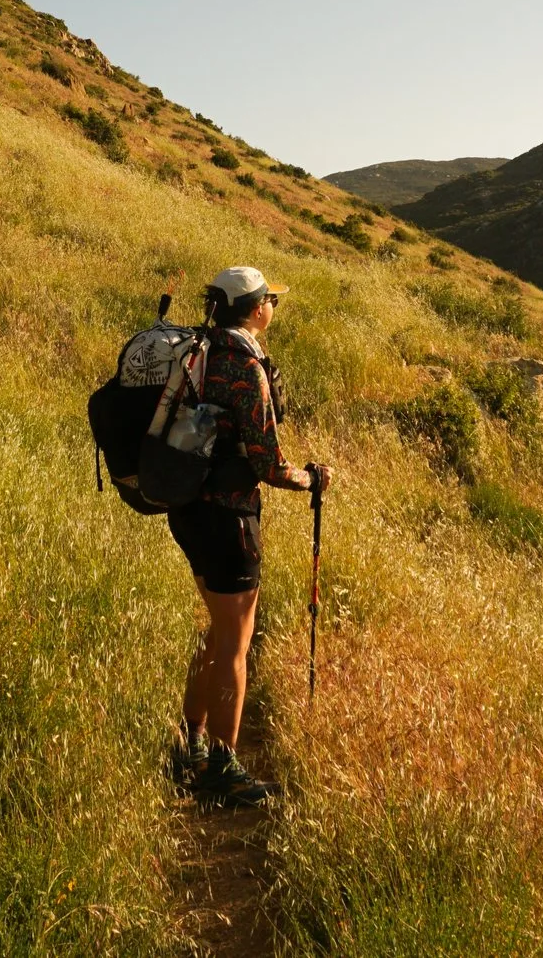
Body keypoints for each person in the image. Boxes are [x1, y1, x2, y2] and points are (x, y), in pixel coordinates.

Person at [168, 264, 334, 807]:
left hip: (187, 508)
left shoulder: (197, 350)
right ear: (255, 307)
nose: (274, 307)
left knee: (216, 631)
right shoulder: (247, 368)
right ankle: (223, 766)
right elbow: (266, 463)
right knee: (235, 645)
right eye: (271, 299)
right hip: (231, 517)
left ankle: (191, 743)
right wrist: (311, 478)